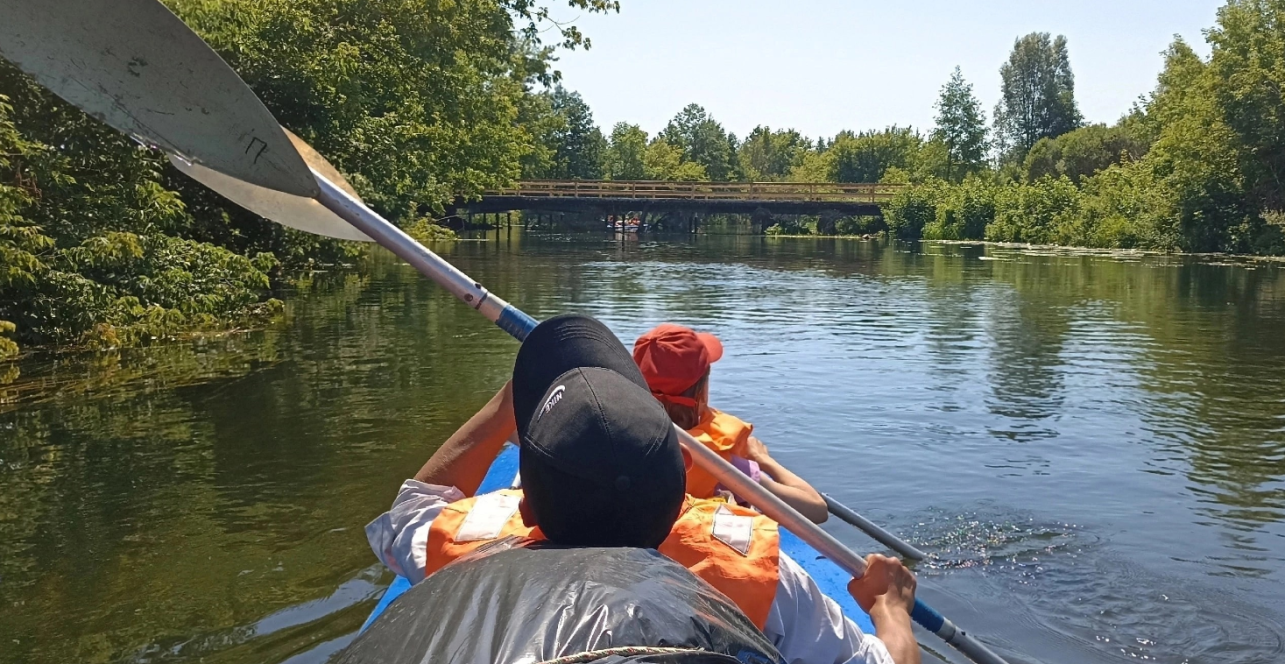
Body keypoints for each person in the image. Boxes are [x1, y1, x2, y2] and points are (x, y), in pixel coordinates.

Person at [366, 314, 920, 664]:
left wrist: (509, 401)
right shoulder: (764, 575)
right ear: (678, 481)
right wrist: (890, 609)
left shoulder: (465, 548)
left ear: (526, 502)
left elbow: (412, 508)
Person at [633, 324, 829, 524]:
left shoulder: (618, 438)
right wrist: (763, 460)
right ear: (701, 393)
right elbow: (816, 510)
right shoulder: (720, 464)